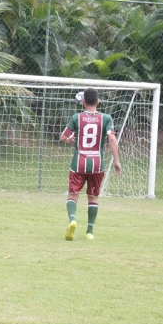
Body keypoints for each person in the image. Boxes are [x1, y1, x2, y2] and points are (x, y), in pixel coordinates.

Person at [59, 88, 121, 241]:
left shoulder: (76, 117)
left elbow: (62, 137)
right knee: (93, 198)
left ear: (83, 101)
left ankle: (73, 219)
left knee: (73, 195)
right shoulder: (106, 118)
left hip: (78, 164)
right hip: (97, 165)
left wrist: (69, 140)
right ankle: (89, 232)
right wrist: (117, 162)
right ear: (98, 101)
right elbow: (112, 139)